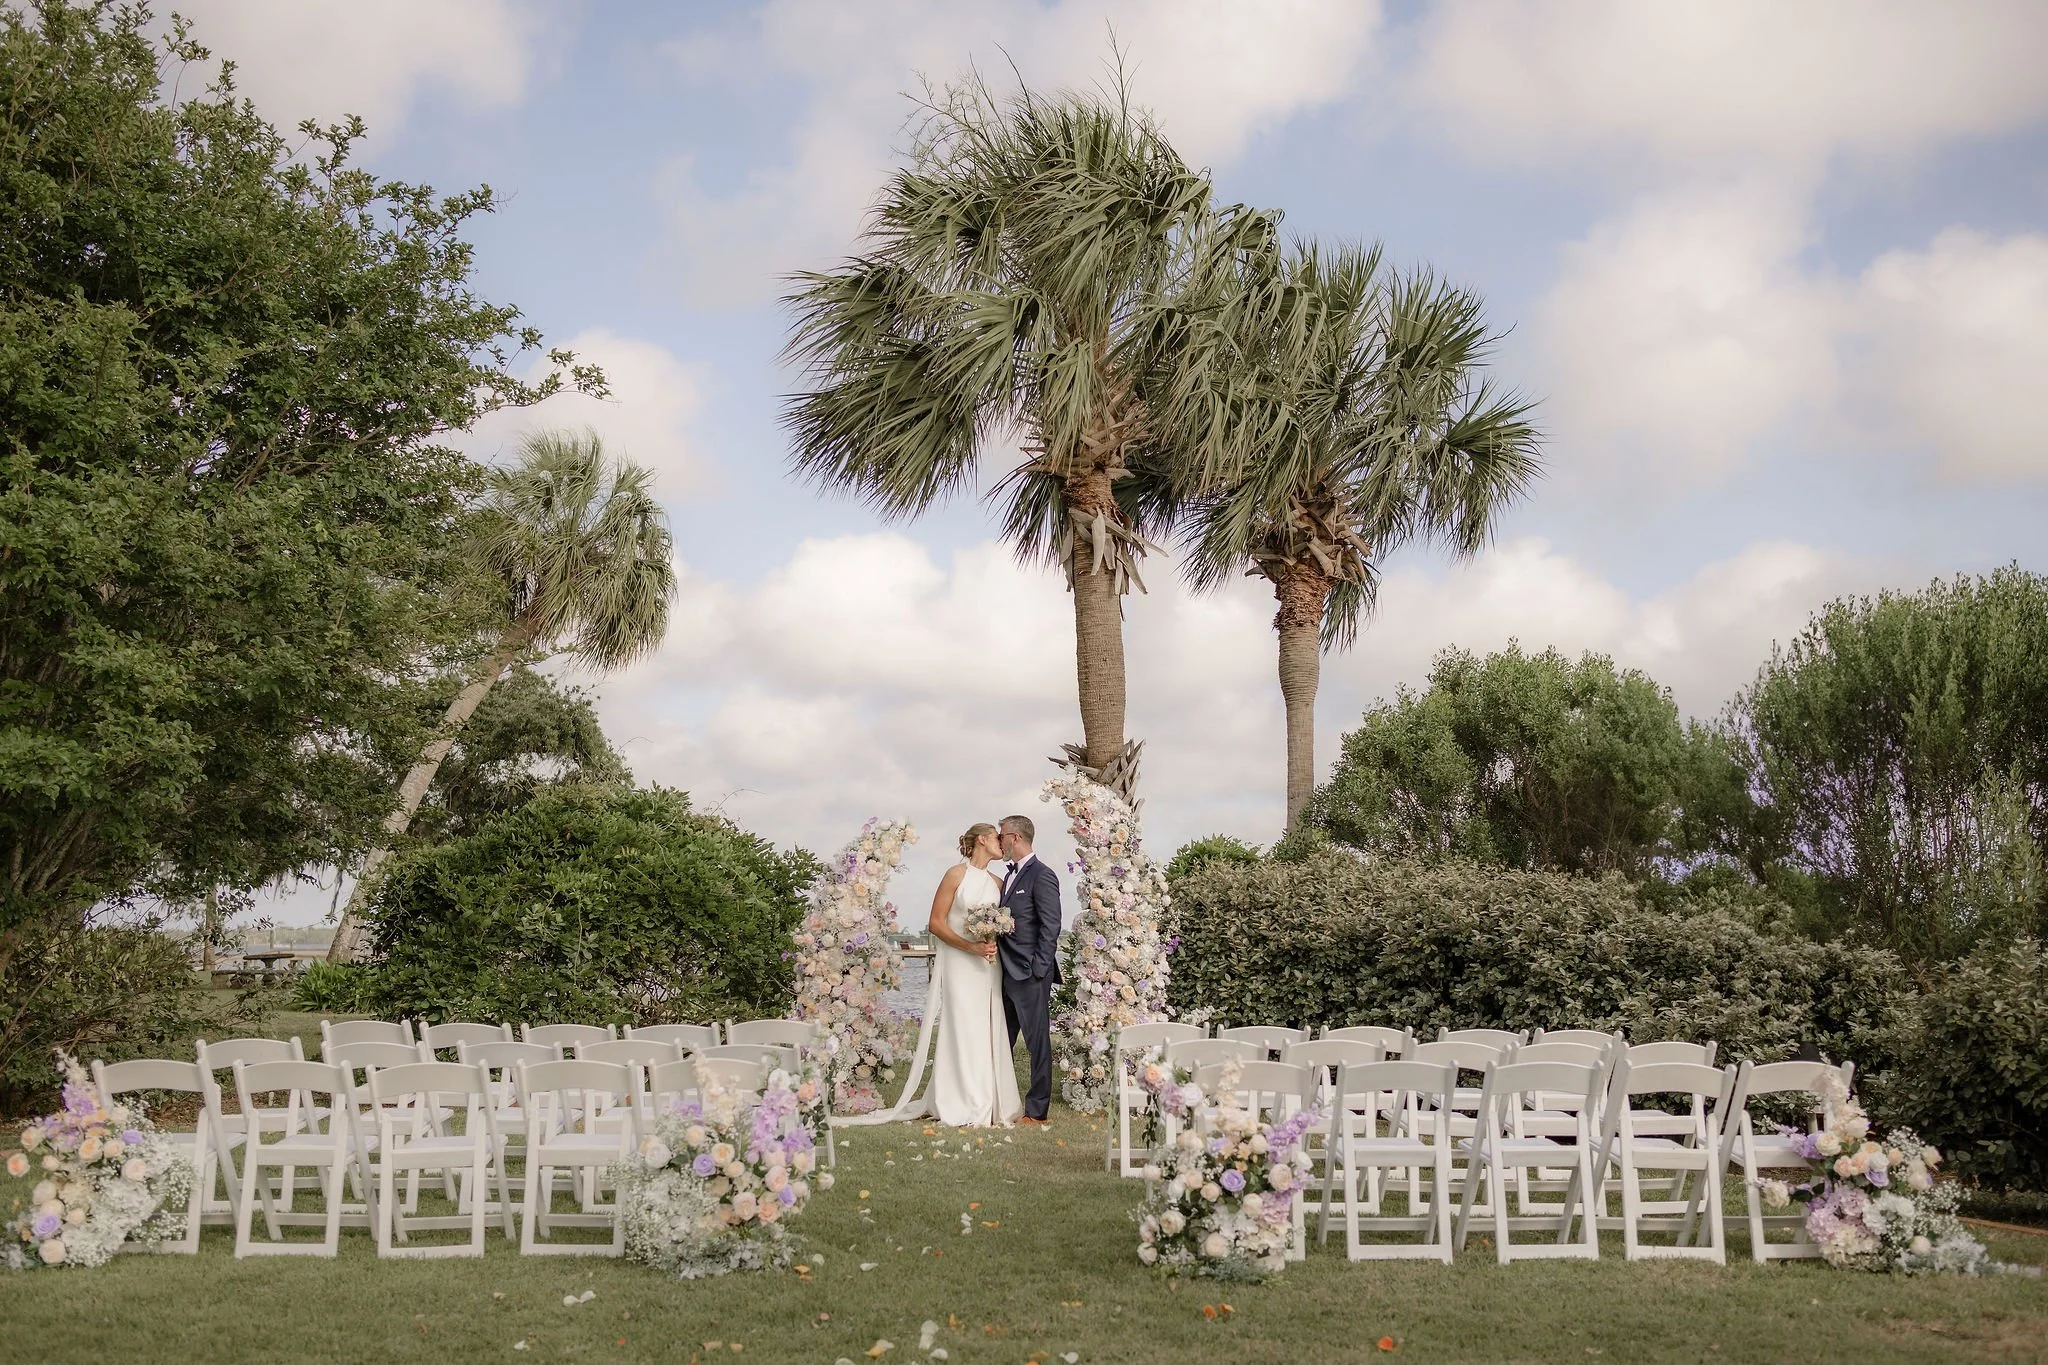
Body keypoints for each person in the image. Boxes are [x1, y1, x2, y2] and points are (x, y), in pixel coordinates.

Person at [922, 822, 1023, 1127]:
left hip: (988, 967)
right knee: (962, 1025)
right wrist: (970, 947)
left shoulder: (998, 882)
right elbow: (936, 923)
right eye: (996, 837)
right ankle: (959, 1099)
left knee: (986, 1026)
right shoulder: (956, 874)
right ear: (982, 839)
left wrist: (993, 939)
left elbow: (1005, 923)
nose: (1001, 843)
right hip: (959, 962)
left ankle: (989, 1098)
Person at [996, 814, 1061, 1124]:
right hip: (1005, 972)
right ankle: (1000, 1100)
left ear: (1016, 838)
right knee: (1001, 1039)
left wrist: (1038, 969)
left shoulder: (1042, 874)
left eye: (1002, 835)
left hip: (1030, 974)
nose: (999, 841)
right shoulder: (1009, 876)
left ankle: (1036, 1110)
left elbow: (1051, 926)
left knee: (1037, 1044)